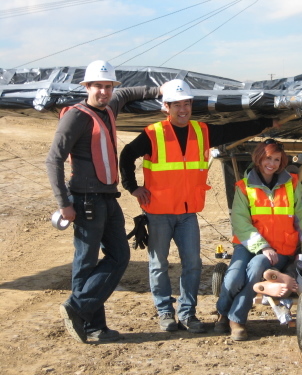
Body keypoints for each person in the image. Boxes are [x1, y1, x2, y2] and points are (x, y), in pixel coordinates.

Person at [119, 79, 279, 334]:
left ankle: (188, 314)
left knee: (192, 264)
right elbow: (126, 155)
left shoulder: (201, 131)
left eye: (187, 104)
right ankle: (165, 312)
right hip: (158, 212)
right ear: (166, 108)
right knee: (158, 264)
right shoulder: (153, 133)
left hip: (186, 213)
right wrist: (132, 187)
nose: (183, 109)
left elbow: (233, 130)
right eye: (177, 105)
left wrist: (265, 123)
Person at [46, 60, 164, 343]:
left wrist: (159, 90)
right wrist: (64, 203)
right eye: (98, 86)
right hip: (86, 199)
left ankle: (80, 311)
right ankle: (90, 324)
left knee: (120, 256)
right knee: (85, 262)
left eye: (108, 86)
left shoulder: (110, 106)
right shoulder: (76, 116)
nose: (104, 91)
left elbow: (127, 94)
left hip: (109, 198)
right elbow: (54, 160)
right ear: (86, 86)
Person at [215, 139, 302, 340]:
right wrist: (262, 246)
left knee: (257, 266)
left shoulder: (293, 185)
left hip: (280, 249)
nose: (272, 163)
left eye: (277, 160)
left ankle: (236, 320)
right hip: (248, 246)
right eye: (268, 158)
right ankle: (223, 313)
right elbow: (240, 222)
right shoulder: (244, 187)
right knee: (234, 278)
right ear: (259, 158)